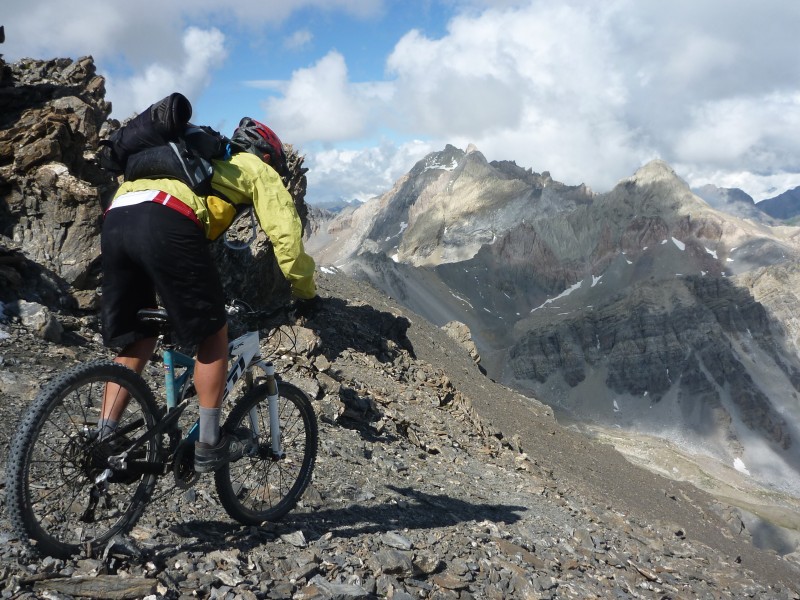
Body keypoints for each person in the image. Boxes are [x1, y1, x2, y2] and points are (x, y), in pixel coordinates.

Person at [99, 117, 317, 473]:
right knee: (214, 333)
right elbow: (287, 240)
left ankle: (104, 437)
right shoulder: (254, 168)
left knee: (138, 337)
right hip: (167, 220)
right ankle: (209, 444)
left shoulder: (196, 160)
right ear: (266, 157)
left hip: (117, 217)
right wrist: (306, 292)